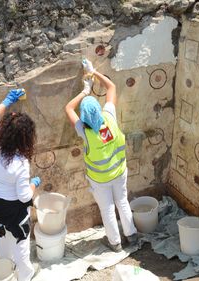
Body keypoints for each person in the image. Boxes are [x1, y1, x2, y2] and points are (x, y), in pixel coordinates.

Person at [65, 59, 138, 252]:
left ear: (84, 117)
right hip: (119, 172)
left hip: (100, 179)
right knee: (122, 202)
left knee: (107, 209)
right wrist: (94, 71)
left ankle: (115, 243)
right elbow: (111, 86)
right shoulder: (109, 116)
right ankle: (132, 236)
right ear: (98, 110)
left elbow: (68, 109)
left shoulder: (84, 131)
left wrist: (85, 91)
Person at [0, 88, 40, 281]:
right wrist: (34, 184)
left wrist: (7, 101)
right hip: (12, 211)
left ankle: (4, 267)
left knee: (1, 236)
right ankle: (25, 275)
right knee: (21, 244)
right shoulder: (20, 163)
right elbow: (24, 197)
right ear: (25, 139)